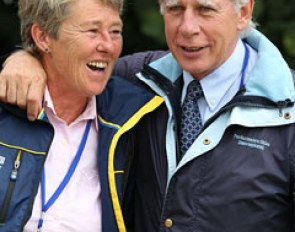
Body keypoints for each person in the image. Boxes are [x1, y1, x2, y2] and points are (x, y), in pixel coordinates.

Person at [1, 0, 295, 231]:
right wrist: (24, 60)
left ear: (243, 12)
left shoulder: (288, 107)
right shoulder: (138, 79)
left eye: (205, 9)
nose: (187, 27)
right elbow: (71, 64)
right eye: (175, 9)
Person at [0, 0, 145, 231]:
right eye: (92, 31)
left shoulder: (135, 119)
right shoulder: (6, 107)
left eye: (115, 31)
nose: (108, 46)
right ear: (43, 37)